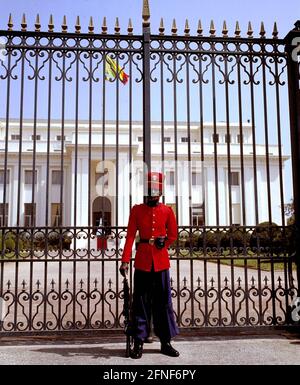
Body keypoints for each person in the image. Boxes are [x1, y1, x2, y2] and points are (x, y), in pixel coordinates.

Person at [119, 172, 179, 359]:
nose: (153, 195)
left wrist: (165, 243)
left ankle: (165, 341)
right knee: (141, 303)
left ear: (160, 192)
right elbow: (130, 236)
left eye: (156, 192)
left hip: (161, 262)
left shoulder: (167, 211)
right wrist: (125, 260)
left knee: (163, 303)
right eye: (150, 191)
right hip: (143, 262)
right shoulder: (137, 210)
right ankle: (138, 341)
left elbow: (173, 235)